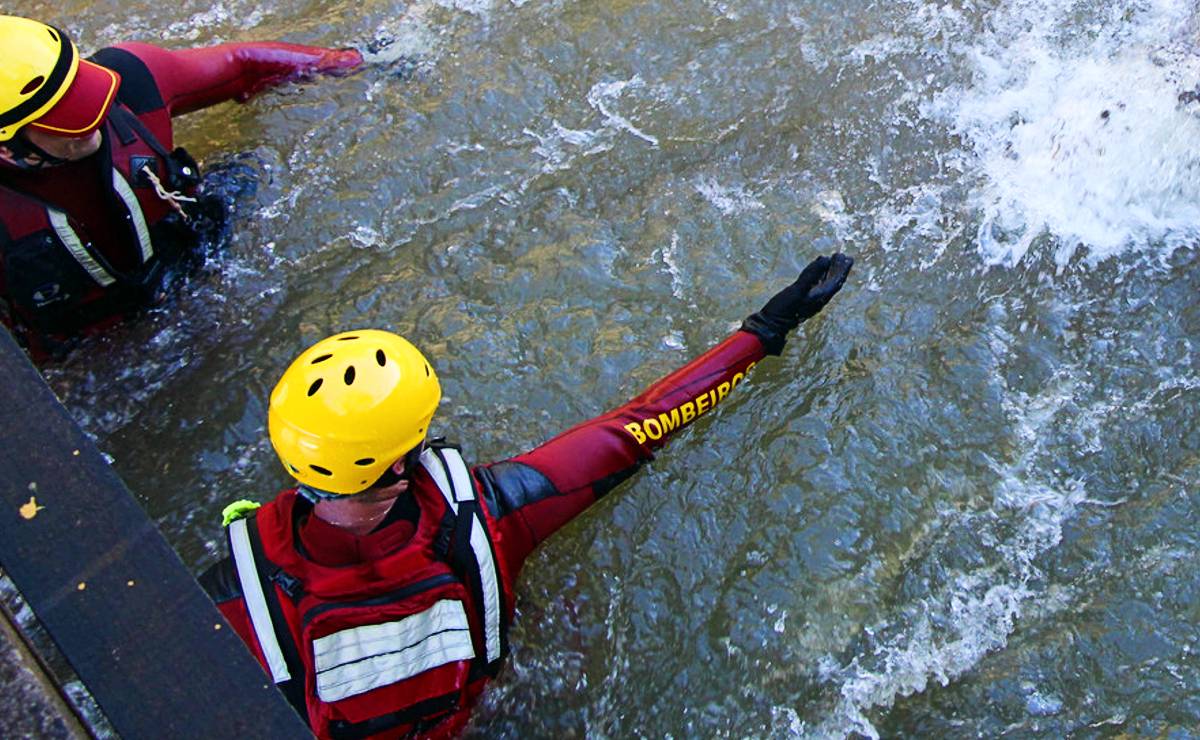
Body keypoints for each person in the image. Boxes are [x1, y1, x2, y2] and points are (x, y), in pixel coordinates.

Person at [201, 253, 854, 738]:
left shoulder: (235, 595)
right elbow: (636, 430)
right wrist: (765, 330)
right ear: (400, 465)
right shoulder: (488, 517)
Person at [0, 15, 363, 359]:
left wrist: (350, 62)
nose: (96, 116)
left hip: (195, 267)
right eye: (67, 119)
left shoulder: (131, 81)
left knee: (251, 171)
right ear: (6, 147)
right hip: (94, 356)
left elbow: (242, 64)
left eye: (81, 88)